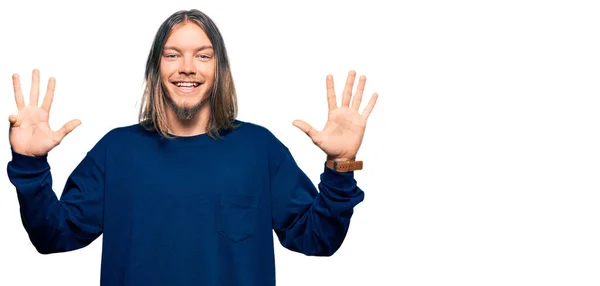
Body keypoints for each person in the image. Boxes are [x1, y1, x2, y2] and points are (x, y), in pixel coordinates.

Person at [6, 9, 378, 286]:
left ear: (219, 70)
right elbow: (52, 236)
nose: (187, 67)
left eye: (203, 55)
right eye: (173, 54)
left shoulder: (258, 148)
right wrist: (29, 164)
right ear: (156, 68)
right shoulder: (116, 151)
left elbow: (318, 239)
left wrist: (341, 163)